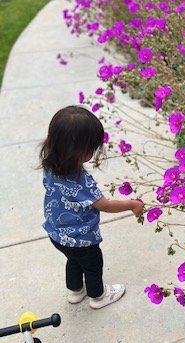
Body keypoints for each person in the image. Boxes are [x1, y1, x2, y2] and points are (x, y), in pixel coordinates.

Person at [40, 106, 143, 309]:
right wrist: (131, 204)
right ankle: (98, 296)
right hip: (82, 238)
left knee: (73, 260)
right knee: (93, 265)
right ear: (80, 151)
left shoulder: (49, 165)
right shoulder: (80, 180)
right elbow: (104, 205)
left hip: (57, 235)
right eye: (91, 148)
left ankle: (75, 291)